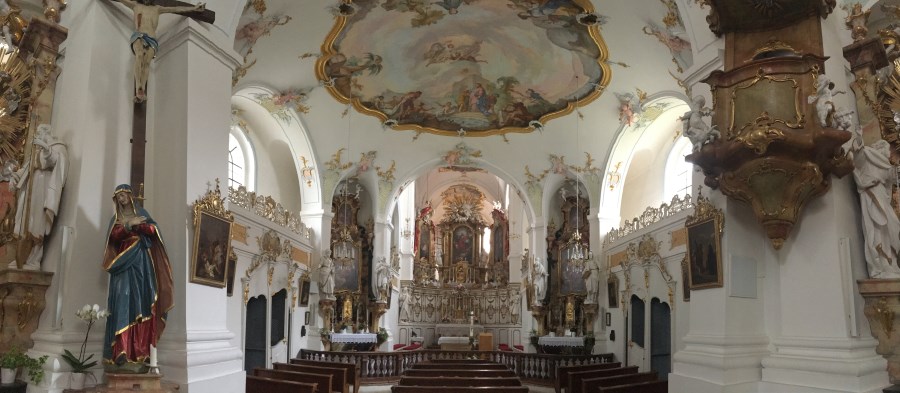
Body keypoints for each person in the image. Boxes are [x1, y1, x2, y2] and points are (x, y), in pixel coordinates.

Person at [102, 184, 174, 372]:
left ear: (130, 196)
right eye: (118, 196)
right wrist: (128, 225)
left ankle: (140, 353)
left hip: (142, 261)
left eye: (124, 195)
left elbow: (153, 230)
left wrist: (139, 225)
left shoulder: (142, 212)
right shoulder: (116, 219)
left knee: (142, 301)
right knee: (123, 299)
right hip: (122, 263)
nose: (121, 198)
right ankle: (122, 351)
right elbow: (114, 237)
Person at [104, 0, 206, 102]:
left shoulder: (157, 9)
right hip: (139, 35)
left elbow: (176, 8)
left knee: (147, 62)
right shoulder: (135, 5)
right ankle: (138, 86)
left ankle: (142, 89)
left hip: (152, 39)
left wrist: (193, 8)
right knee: (139, 55)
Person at [10, 124, 67, 270]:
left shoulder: (57, 146)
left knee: (37, 223)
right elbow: (26, 168)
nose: (38, 135)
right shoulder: (37, 150)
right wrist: (15, 176)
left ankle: (34, 260)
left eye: (41, 133)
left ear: (48, 133)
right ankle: (21, 259)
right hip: (30, 189)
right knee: (24, 222)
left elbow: (55, 161)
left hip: (42, 191)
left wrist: (47, 149)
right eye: (38, 133)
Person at [850, 130, 900, 278]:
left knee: (893, 227)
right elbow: (857, 155)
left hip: (882, 199)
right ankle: (881, 266)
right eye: (887, 150)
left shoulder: (884, 164)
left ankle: (891, 264)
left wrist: (895, 171)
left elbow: (890, 177)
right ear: (881, 148)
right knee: (877, 231)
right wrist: (858, 138)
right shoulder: (868, 155)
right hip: (872, 198)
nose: (889, 154)